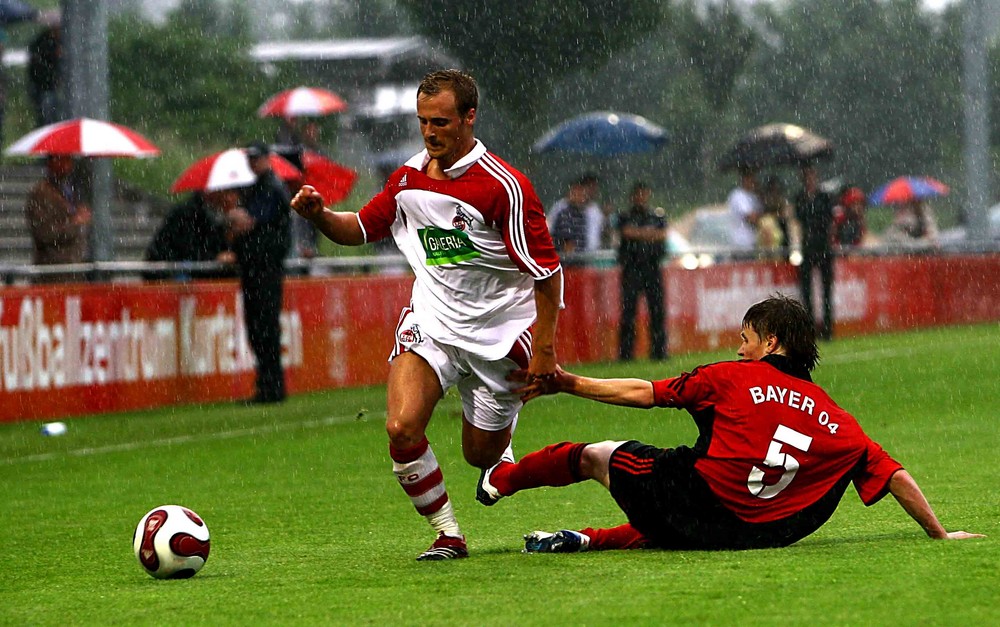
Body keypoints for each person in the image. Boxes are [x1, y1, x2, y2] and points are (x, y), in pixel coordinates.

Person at [290, 69, 563, 561]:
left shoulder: (505, 188)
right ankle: (447, 534)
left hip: (498, 336)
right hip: (432, 324)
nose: (430, 132)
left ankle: (497, 451)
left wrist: (544, 349)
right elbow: (358, 228)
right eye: (422, 122)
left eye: (440, 122)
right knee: (401, 428)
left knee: (477, 455)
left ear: (469, 118)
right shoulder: (406, 178)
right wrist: (320, 216)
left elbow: (547, 273)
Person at [476, 294, 984, 553]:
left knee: (595, 455)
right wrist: (939, 534)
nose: (738, 348)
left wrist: (568, 383)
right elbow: (895, 475)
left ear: (770, 343)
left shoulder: (730, 379)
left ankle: (498, 479)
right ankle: (587, 539)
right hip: (760, 535)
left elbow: (645, 393)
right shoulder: (838, 421)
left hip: (699, 504)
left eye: (745, 338)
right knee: (681, 522)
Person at [230, 142, 291, 405]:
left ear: (266, 159)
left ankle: (271, 386)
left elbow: (251, 221)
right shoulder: (259, 187)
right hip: (257, 267)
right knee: (258, 328)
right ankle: (268, 384)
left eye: (256, 158)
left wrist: (238, 217)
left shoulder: (271, 188)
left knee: (264, 328)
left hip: (265, 268)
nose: (252, 163)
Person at [616, 181, 668, 361]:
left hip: (652, 268)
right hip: (631, 269)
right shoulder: (626, 216)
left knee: (657, 311)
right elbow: (626, 232)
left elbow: (662, 234)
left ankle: (659, 351)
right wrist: (648, 234)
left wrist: (639, 233)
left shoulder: (656, 215)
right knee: (628, 312)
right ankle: (626, 353)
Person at [143, 190, 238, 281]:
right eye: (226, 192)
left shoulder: (216, 215)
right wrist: (214, 258)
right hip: (177, 276)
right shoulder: (187, 214)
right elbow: (187, 250)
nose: (230, 197)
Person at [25, 154, 91, 283]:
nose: (68, 166)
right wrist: (75, 222)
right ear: (51, 162)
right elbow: (45, 234)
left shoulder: (67, 190)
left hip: (72, 271)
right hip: (53, 274)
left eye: (69, 160)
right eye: (63, 160)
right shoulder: (41, 194)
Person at [793, 163, 835, 340]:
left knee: (826, 290)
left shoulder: (824, 197)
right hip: (808, 247)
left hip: (822, 245)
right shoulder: (800, 198)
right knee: (806, 291)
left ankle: (827, 328)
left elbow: (830, 221)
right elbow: (798, 221)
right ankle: (809, 328)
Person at [547, 175, 603, 255]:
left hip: (585, 258)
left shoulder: (585, 212)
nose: (581, 196)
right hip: (569, 260)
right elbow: (566, 242)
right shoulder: (563, 211)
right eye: (577, 192)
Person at [27, 21, 62, 127]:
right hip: (45, 85)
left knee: (48, 114)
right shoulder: (46, 43)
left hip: (47, 84)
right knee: (47, 115)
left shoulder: (44, 41)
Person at [726, 167, 760, 251]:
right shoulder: (738, 195)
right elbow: (751, 218)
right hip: (741, 243)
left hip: (752, 242)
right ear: (744, 179)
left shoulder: (753, 196)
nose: (754, 181)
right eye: (751, 178)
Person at [758, 174, 792, 256]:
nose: (774, 191)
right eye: (772, 189)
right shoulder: (766, 219)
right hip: (773, 231)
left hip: (781, 231)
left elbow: (786, 213)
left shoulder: (781, 201)